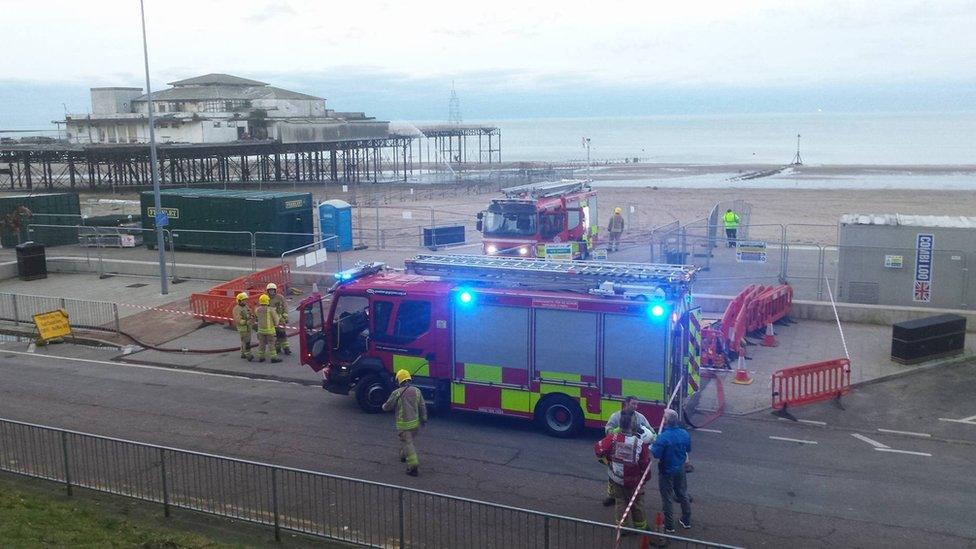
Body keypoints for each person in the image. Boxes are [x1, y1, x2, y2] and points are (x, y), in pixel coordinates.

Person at [594, 412, 650, 531]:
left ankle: (622, 529)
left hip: (617, 479)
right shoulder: (639, 443)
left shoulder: (612, 439)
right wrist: (646, 478)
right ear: (633, 426)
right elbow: (645, 463)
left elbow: (598, 449)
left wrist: (608, 461)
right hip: (635, 481)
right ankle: (640, 528)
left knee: (620, 503)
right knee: (637, 503)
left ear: (620, 425)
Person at [603, 397, 655, 506]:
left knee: (635, 473)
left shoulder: (640, 417)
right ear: (626, 403)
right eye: (633, 404)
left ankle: (637, 492)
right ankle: (611, 496)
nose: (635, 406)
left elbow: (649, 429)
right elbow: (608, 430)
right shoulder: (616, 416)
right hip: (619, 449)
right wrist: (615, 431)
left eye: (637, 404)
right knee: (614, 475)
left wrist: (653, 435)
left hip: (635, 451)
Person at [652, 409, 692, 533]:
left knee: (667, 498)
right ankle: (686, 520)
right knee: (682, 493)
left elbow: (656, 454)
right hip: (680, 468)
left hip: (666, 471)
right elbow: (688, 449)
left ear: (666, 421)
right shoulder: (685, 434)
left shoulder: (663, 437)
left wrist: (653, 445)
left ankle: (669, 526)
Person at [382, 369, 428, 476]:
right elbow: (422, 406)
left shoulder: (396, 393)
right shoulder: (417, 391)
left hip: (404, 425)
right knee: (408, 441)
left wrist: (383, 407)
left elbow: (388, 406)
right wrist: (424, 419)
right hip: (415, 425)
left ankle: (413, 466)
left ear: (399, 380)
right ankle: (403, 456)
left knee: (408, 443)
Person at [254, 294, 282, 363]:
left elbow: (257, 316)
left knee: (261, 344)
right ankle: (273, 358)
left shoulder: (257, 310)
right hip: (270, 331)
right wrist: (278, 319)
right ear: (267, 301)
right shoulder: (271, 310)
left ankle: (261, 357)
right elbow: (276, 321)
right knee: (271, 344)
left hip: (260, 331)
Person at [266, 283, 291, 356]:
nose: (271, 292)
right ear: (268, 291)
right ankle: (277, 348)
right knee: (275, 335)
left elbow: (285, 306)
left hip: (280, 319)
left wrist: (285, 315)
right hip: (272, 320)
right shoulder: (266, 298)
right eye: (270, 290)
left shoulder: (280, 297)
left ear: (275, 290)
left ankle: (286, 348)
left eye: (272, 290)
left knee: (282, 334)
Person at [232, 292, 254, 361]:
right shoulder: (237, 309)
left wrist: (252, 315)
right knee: (246, 341)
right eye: (243, 300)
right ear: (239, 301)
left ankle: (243, 353)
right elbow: (238, 319)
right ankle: (248, 355)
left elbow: (249, 312)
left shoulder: (245, 306)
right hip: (243, 328)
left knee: (244, 341)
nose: (245, 301)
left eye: (245, 300)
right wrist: (246, 322)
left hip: (248, 327)